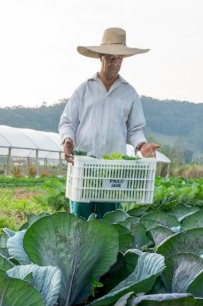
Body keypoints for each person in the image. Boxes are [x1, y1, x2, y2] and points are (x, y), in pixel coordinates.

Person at [59, 27, 160, 218]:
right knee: (80, 220)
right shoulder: (84, 89)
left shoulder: (129, 92)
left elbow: (135, 129)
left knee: (110, 221)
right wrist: (68, 140)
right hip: (84, 168)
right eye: (110, 58)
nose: (115, 63)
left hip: (113, 169)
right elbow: (67, 122)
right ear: (101, 57)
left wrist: (142, 145)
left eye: (119, 59)